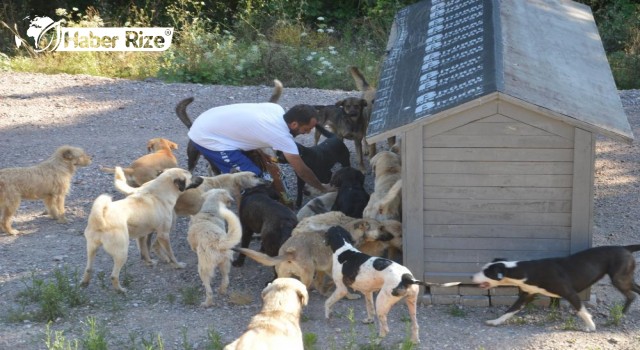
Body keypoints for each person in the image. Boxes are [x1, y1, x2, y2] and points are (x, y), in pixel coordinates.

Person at [187, 102, 334, 193]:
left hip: (208, 119)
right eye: (306, 129)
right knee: (251, 178)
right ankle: (243, 214)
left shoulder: (276, 109)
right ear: (294, 124)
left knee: (263, 173)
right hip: (206, 136)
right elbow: (302, 171)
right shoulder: (280, 135)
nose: (307, 133)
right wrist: (322, 188)